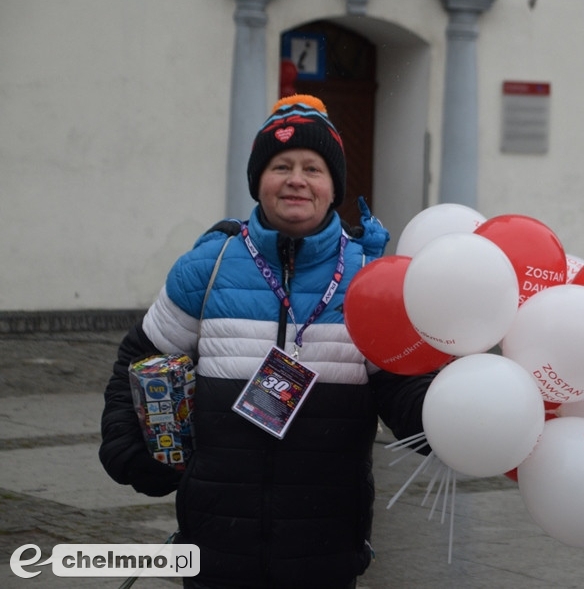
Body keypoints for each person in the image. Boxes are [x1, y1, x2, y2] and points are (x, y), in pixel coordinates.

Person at [99, 95, 433, 588]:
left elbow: (403, 386)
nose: (297, 179)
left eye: (313, 168)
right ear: (258, 181)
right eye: (281, 166)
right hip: (215, 545)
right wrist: (131, 447)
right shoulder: (207, 268)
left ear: (333, 187)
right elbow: (138, 359)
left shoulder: (370, 281)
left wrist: (444, 418)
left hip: (325, 546)